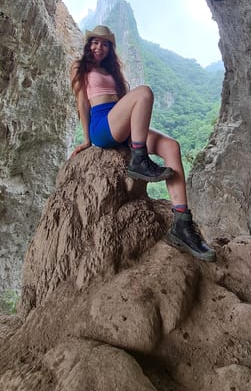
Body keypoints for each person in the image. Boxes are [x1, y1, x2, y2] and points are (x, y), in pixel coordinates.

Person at [71, 25, 216, 262]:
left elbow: (129, 108)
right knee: (144, 92)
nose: (99, 47)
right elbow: (82, 104)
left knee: (171, 146)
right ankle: (139, 159)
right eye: (95, 42)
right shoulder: (80, 67)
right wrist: (87, 139)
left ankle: (182, 223)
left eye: (105, 43)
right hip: (102, 127)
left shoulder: (114, 73)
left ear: (110, 48)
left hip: (123, 127)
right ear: (89, 44)